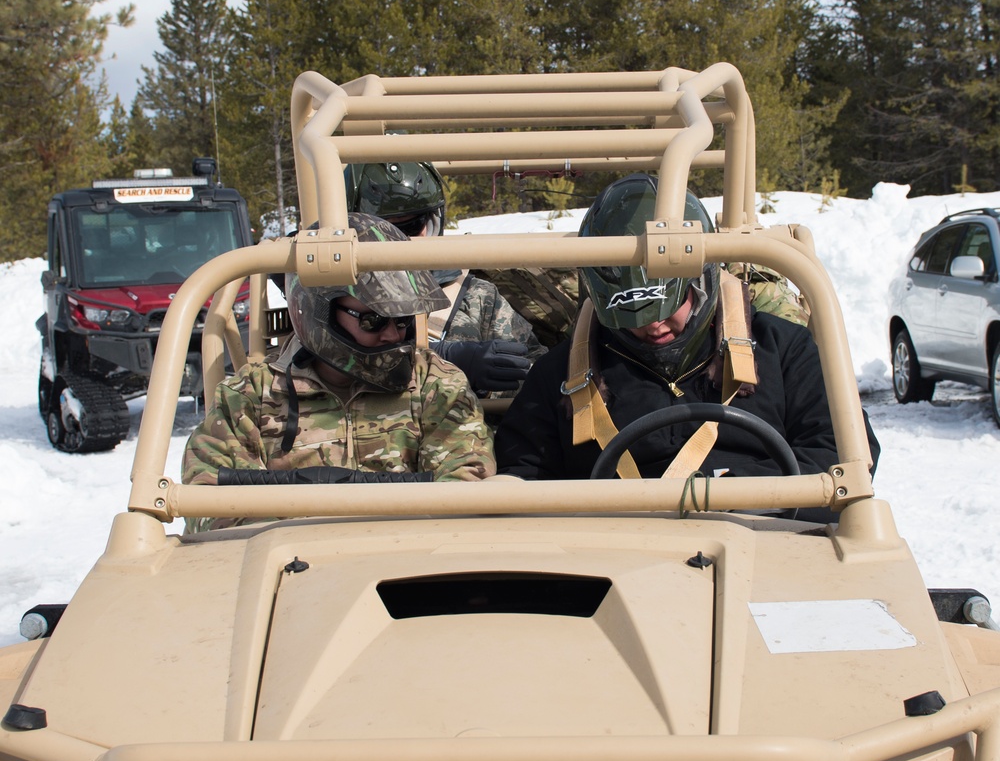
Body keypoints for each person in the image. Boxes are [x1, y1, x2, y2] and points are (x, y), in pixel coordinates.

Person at [494, 173, 878, 521]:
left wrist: (744, 494)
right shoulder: (559, 376)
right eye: (631, 314)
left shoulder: (783, 349)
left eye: (668, 308)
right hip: (612, 554)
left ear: (704, 281)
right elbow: (524, 476)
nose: (653, 325)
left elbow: (842, 452)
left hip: (767, 537)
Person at [182, 213, 496, 531]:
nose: (393, 336)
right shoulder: (249, 397)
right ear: (318, 310)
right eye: (373, 320)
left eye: (403, 320)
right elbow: (210, 503)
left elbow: (466, 484)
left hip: (409, 562)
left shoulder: (435, 383)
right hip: (288, 567)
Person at [345, 161, 545, 395]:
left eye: (412, 226)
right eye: (381, 229)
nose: (397, 240)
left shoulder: (478, 298)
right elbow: (315, 362)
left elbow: (535, 370)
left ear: (433, 222)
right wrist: (445, 360)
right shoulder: (333, 295)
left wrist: (489, 386)